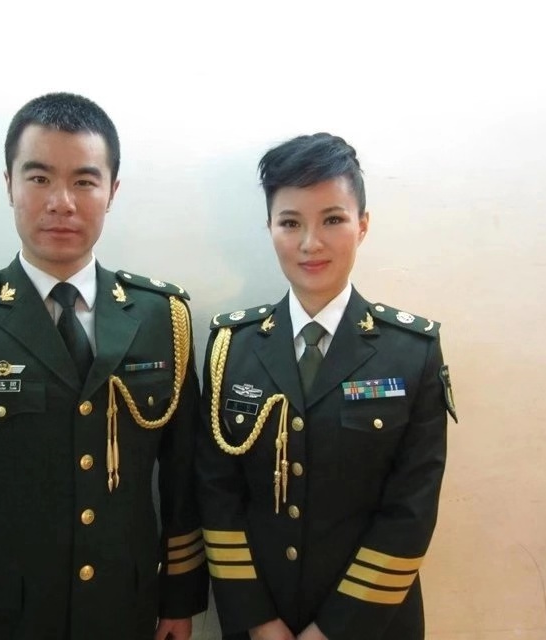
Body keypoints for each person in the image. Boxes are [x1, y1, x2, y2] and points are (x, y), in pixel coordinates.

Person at [0, 92, 208, 640]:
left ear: (113, 191)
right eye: (40, 177)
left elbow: (184, 476)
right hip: (0, 618)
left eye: (85, 181)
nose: (61, 202)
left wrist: (179, 599)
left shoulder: (162, 317)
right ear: (9, 184)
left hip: (125, 613)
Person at [196, 133, 456, 640]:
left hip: (373, 624)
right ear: (269, 228)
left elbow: (411, 508)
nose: (310, 243)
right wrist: (258, 620)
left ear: (363, 225)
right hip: (258, 622)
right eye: (290, 222)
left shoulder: (412, 352)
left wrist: (334, 631)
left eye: (332, 220)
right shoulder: (231, 347)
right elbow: (216, 492)